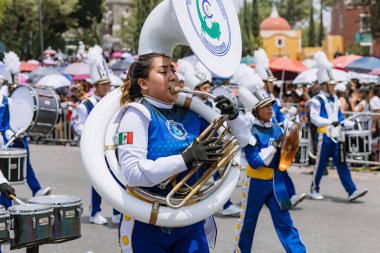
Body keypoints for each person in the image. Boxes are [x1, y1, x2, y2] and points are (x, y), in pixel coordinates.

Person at [116, 52, 254, 253]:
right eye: (163, 71)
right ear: (144, 84)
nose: (173, 76)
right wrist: (186, 158)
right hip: (146, 223)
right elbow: (133, 174)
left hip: (189, 219)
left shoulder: (192, 114)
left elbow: (241, 140)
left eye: (173, 70)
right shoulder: (136, 114)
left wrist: (234, 117)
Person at [234, 89, 306, 253]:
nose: (270, 109)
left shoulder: (277, 128)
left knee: (286, 223)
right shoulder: (249, 132)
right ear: (256, 111)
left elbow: (285, 160)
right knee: (247, 225)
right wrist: (274, 146)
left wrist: (292, 138)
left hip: (276, 182)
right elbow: (255, 162)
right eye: (265, 106)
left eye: (271, 105)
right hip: (255, 184)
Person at [73, 45, 120, 225]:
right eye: (104, 84)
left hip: (111, 146)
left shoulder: (111, 102)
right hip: (95, 148)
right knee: (98, 181)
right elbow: (77, 125)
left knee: (116, 178)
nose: (107, 87)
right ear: (96, 85)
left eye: (108, 84)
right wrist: (93, 133)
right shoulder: (87, 104)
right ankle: (96, 212)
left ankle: (117, 212)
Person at [254, 48, 306, 207]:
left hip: (276, 136)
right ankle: (281, 197)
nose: (273, 83)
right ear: (264, 82)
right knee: (268, 169)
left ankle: (288, 196)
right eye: (270, 81)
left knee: (280, 167)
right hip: (264, 137)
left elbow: (279, 118)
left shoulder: (272, 98)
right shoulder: (258, 99)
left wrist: (289, 122)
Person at [308, 65, 368, 201]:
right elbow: (314, 118)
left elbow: (339, 118)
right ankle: (313, 189)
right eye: (331, 84)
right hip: (324, 137)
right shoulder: (317, 100)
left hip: (337, 136)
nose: (334, 86)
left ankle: (352, 191)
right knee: (320, 165)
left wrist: (349, 123)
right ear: (324, 86)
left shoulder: (335, 99)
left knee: (342, 163)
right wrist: (330, 122)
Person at [2, 51, 52, 198]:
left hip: (19, 134)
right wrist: (8, 131)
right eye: (14, 79)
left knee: (26, 164)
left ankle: (36, 190)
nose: (16, 82)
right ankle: (7, 199)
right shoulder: (3, 97)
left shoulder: (20, 92)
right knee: (5, 168)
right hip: (6, 137)